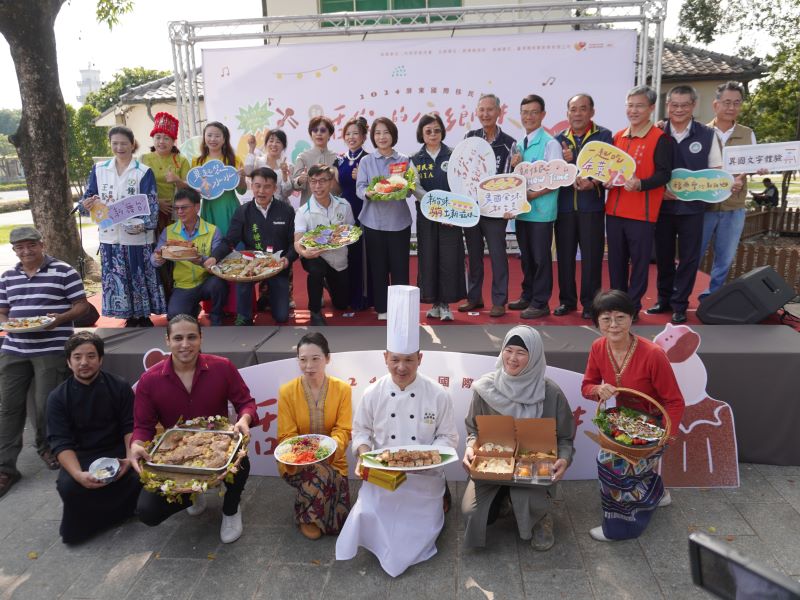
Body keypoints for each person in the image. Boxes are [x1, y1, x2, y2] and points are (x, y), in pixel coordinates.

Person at [336, 285, 459, 577]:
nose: (401, 367)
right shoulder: (373, 393)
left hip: (424, 478)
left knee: (419, 529)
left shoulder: (437, 394)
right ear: (385, 357)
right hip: (382, 476)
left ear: (420, 358)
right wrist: (365, 455)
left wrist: (429, 458)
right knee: (366, 514)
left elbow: (448, 438)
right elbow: (362, 431)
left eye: (408, 360)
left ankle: (438, 504)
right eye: (395, 359)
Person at [129, 315, 259, 543]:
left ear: (201, 338)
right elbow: (143, 426)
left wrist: (244, 420)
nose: (185, 344)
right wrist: (137, 445)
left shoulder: (222, 367)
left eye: (191, 337)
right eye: (178, 338)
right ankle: (192, 496)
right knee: (148, 512)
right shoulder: (150, 380)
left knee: (242, 461)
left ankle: (231, 509)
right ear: (167, 340)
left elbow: (245, 402)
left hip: (218, 446)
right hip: (176, 458)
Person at [581, 290, 685, 541]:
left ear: (632, 318)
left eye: (620, 317)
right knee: (629, 467)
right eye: (606, 319)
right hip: (624, 420)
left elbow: (674, 401)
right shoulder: (598, 347)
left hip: (656, 424)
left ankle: (621, 527)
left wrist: (666, 438)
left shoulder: (653, 354)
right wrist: (598, 389)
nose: (613, 325)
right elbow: (587, 387)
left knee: (610, 465)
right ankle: (657, 494)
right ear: (597, 323)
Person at [461, 326, 574, 550]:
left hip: (532, 468)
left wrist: (564, 459)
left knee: (533, 503)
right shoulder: (485, 388)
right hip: (493, 466)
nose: (512, 358)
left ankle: (542, 517)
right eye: (508, 350)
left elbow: (565, 438)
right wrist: (470, 447)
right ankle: (503, 497)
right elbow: (473, 429)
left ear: (534, 358)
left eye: (521, 353)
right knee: (472, 514)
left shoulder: (550, 393)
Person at [0, 227, 90, 497]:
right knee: (8, 407)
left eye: (31, 245)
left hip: (50, 348)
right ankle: (5, 468)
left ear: (42, 244)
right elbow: (3, 310)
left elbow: (82, 306)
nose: (26, 251)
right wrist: (8, 325)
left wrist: (59, 319)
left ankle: (48, 448)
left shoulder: (63, 271)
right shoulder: (7, 276)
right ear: (14, 250)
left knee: (45, 405)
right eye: (20, 247)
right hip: (14, 348)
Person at [46, 332, 141, 544]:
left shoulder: (119, 386)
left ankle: (122, 511)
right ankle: (105, 517)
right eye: (77, 357)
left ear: (101, 359)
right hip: (82, 455)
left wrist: (129, 459)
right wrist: (78, 474)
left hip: (117, 452)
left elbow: (130, 427)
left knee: (138, 476)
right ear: (69, 362)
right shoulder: (58, 398)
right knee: (69, 486)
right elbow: (60, 442)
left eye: (90, 356)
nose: (84, 362)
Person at [648, 85, 722, 324]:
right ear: (667, 105)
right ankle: (664, 299)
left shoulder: (707, 135)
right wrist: (661, 190)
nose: (678, 109)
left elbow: (716, 172)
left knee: (689, 257)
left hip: (693, 209)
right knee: (664, 256)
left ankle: (680, 304)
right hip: (663, 207)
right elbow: (647, 171)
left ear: (693, 106)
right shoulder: (656, 132)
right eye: (674, 105)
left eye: (684, 105)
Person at [81, 126, 166, 327]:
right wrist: (86, 204)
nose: (119, 147)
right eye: (115, 143)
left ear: (132, 144)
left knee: (138, 275)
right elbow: (88, 196)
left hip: (136, 236)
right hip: (110, 234)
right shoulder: (99, 169)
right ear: (110, 144)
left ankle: (143, 316)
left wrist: (144, 224)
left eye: (124, 143)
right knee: (118, 276)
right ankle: (128, 315)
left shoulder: (143, 171)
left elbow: (151, 204)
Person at [605, 86, 674, 318]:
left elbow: (664, 174)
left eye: (639, 106)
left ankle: (632, 308)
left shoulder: (660, 138)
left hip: (641, 214)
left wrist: (641, 184)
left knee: (639, 264)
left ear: (651, 108)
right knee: (615, 263)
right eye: (630, 105)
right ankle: (616, 304)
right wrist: (606, 180)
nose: (633, 110)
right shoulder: (618, 136)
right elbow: (611, 170)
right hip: (614, 210)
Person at [277, 332, 352, 539]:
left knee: (342, 520)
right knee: (319, 472)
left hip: (334, 459)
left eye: (315, 359)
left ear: (327, 358)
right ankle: (306, 517)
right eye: (303, 360)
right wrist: (308, 456)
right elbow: (286, 435)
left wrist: (329, 449)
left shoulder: (343, 389)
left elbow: (344, 429)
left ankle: (313, 506)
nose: (308, 365)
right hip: (297, 462)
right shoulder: (287, 392)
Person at [209, 167, 296, 325]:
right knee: (242, 282)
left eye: (267, 186)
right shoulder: (243, 211)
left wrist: (287, 260)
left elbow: (293, 243)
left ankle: (270, 298)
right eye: (257, 185)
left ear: (275, 188)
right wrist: (214, 257)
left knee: (281, 316)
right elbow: (229, 241)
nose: (261, 191)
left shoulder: (287, 211)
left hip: (277, 265)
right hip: (252, 263)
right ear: (251, 186)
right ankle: (245, 316)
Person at [700, 81, 762, 298]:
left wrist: (755, 170)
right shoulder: (702, 132)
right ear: (715, 104)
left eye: (736, 103)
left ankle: (712, 297)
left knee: (724, 258)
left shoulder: (747, 134)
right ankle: (682, 296)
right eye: (726, 102)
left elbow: (752, 164)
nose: (731, 107)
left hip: (733, 207)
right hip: (704, 207)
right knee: (693, 255)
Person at [555, 94, 613, 319]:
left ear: (592, 112)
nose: (577, 114)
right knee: (565, 257)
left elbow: (609, 168)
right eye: (573, 109)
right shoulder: (558, 139)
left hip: (592, 208)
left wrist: (593, 182)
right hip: (565, 208)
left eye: (582, 109)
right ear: (567, 113)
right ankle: (567, 301)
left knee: (592, 258)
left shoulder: (603, 136)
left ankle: (591, 304)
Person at [461, 93, 517, 318]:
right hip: (472, 208)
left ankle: (499, 300)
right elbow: (461, 170)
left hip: (495, 210)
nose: (485, 114)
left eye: (490, 110)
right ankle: (474, 298)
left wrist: (508, 206)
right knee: (473, 254)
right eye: (481, 110)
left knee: (497, 255)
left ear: (499, 112)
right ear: (477, 112)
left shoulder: (510, 143)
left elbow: (514, 178)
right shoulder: (470, 137)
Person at [356, 117, 414, 320]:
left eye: (386, 132)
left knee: (400, 268)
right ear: (373, 137)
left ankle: (402, 309)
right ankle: (382, 308)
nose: (382, 137)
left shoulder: (404, 160)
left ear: (393, 135)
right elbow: (360, 188)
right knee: (378, 267)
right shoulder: (366, 161)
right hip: (373, 222)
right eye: (378, 133)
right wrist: (370, 193)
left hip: (398, 222)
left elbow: (409, 190)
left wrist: (404, 188)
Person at [510, 94, 561, 319]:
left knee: (541, 259)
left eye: (533, 112)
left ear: (543, 115)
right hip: (523, 212)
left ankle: (541, 302)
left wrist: (532, 195)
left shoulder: (551, 143)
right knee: (527, 257)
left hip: (541, 212)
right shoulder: (519, 144)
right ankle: (528, 295)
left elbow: (557, 179)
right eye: (525, 112)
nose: (528, 117)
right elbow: (515, 179)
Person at [411, 112, 465, 321]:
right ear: (421, 134)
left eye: (436, 130)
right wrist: (436, 206)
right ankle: (434, 303)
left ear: (442, 132)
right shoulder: (415, 159)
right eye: (428, 131)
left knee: (450, 259)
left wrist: (449, 211)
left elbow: (461, 184)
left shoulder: (454, 155)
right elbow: (414, 187)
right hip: (427, 217)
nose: (433, 134)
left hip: (450, 218)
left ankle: (446, 304)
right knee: (428, 258)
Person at [152, 188, 228, 325]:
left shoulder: (212, 230)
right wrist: (158, 258)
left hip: (206, 281)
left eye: (184, 208)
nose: (179, 212)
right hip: (183, 285)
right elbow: (154, 259)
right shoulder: (169, 231)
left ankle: (216, 314)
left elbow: (219, 264)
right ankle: (192, 308)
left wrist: (200, 260)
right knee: (175, 317)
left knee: (219, 283)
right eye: (177, 208)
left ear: (197, 207)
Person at [293, 165, 355, 326]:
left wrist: (342, 238)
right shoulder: (303, 211)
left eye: (322, 181)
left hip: (339, 258)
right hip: (315, 256)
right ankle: (314, 311)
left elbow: (351, 230)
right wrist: (304, 253)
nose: (317, 186)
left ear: (331, 182)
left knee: (341, 304)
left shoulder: (344, 205)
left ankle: (327, 282)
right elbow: (298, 239)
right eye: (313, 182)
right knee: (316, 270)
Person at [337, 117, 372, 311]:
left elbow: (377, 186)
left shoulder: (368, 159)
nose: (351, 137)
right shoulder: (340, 159)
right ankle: (346, 296)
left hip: (364, 211)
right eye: (348, 134)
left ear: (364, 136)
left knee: (362, 255)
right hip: (343, 212)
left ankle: (363, 297)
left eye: (355, 133)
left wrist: (364, 178)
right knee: (346, 254)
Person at [140, 112, 190, 236]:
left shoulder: (181, 160)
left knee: (175, 246)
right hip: (150, 211)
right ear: (153, 139)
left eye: (166, 138)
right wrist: (157, 202)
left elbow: (191, 188)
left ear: (173, 141)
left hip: (176, 212)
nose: (161, 141)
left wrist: (177, 180)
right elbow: (137, 188)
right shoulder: (143, 159)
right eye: (158, 137)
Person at [193, 121, 247, 236]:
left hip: (230, 207)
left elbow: (242, 191)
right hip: (209, 208)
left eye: (217, 136)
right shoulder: (197, 162)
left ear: (224, 139)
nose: (213, 139)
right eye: (209, 135)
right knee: (212, 244)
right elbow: (194, 191)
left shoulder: (234, 160)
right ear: (204, 138)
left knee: (233, 246)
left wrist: (241, 178)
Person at [292, 116, 341, 206]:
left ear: (329, 134)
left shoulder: (337, 158)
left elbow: (340, 190)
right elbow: (295, 185)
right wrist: (300, 180)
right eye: (315, 130)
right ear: (311, 134)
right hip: (308, 210)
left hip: (332, 210)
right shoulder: (303, 157)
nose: (319, 133)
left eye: (323, 130)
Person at [244, 129, 294, 204]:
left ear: (283, 146)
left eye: (278, 142)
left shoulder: (289, 166)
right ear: (266, 144)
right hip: (260, 206)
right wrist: (251, 148)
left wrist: (284, 174)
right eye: (271, 141)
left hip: (281, 208)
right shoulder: (258, 161)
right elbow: (248, 172)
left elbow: (286, 193)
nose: (274, 144)